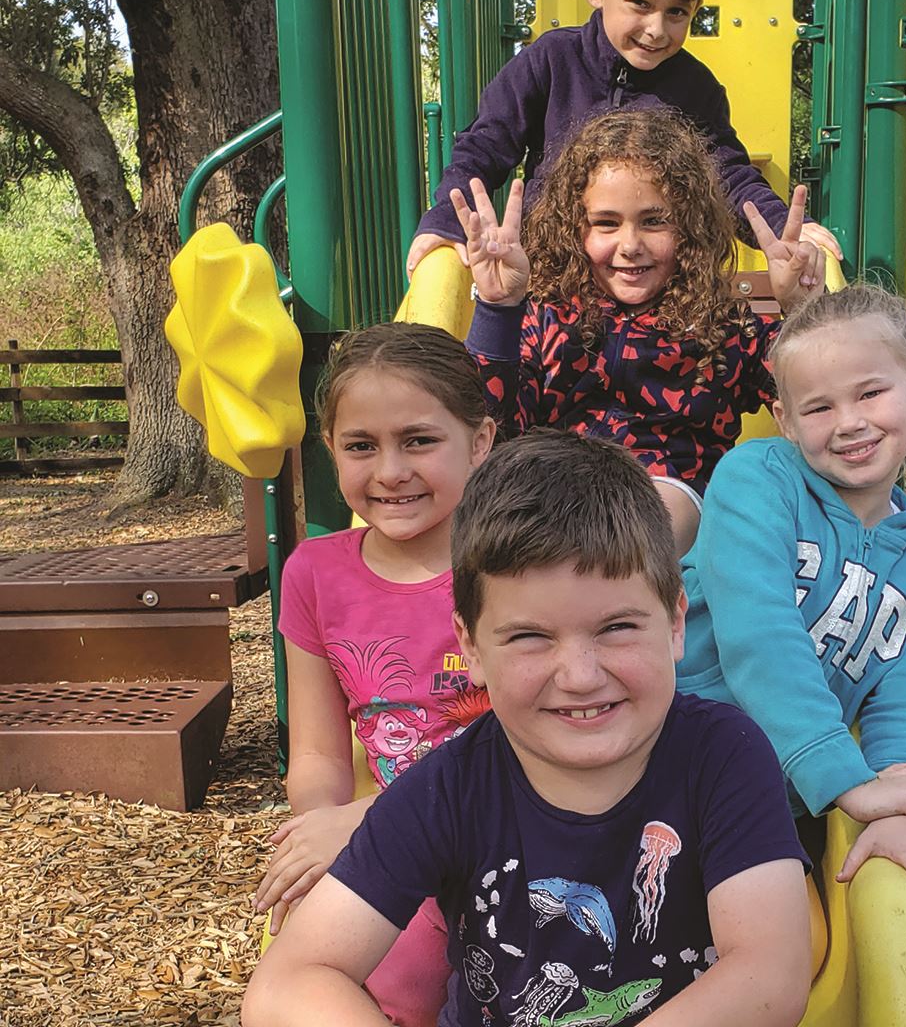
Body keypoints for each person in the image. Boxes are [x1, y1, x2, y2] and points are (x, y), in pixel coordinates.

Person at [242, 431, 813, 1027]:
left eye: (617, 627)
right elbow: (290, 981)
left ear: (674, 622)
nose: (581, 676)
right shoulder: (451, 787)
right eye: (530, 637)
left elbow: (768, 975)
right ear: (472, 648)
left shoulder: (724, 755)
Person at [677, 284, 906, 932]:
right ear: (785, 420)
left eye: (870, 393)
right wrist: (847, 781)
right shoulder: (755, 481)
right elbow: (759, 637)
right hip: (665, 761)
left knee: (783, 952)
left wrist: (903, 798)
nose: (849, 422)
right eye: (819, 406)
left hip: (779, 800)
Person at [253, 322, 496, 1025]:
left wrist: (366, 821)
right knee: (304, 981)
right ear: (330, 450)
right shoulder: (315, 574)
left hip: (510, 824)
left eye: (418, 440)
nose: (390, 470)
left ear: (479, 443)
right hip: (397, 845)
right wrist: (319, 838)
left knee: (416, 982)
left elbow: (536, 742)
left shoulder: (517, 564)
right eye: (361, 446)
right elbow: (320, 755)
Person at [406, 0, 841, 276]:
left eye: (677, 13)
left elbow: (728, 175)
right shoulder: (552, 60)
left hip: (652, 278)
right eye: (640, 4)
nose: (656, 29)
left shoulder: (695, 88)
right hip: (556, 273)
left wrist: (785, 227)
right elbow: (487, 144)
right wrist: (448, 218)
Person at [458, 107, 823, 555]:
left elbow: (809, 396)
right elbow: (488, 420)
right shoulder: (548, 316)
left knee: (637, 524)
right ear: (575, 229)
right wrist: (499, 306)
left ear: (689, 228)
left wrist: (800, 311)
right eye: (606, 223)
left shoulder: (721, 326)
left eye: (654, 221)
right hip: (551, 488)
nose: (630, 246)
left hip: (666, 493)